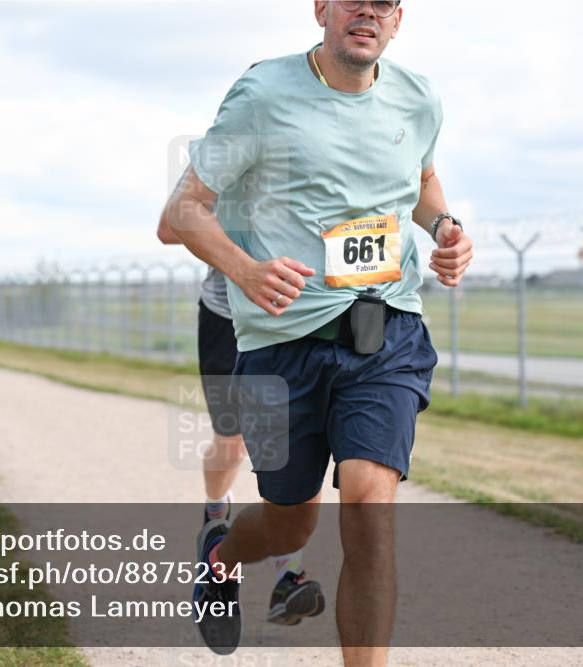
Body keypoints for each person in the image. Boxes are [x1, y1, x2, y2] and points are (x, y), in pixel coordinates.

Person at [162, 2, 474, 663]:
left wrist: (445, 227)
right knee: (287, 523)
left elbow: (421, 180)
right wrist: (244, 269)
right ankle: (219, 557)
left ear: (397, 18)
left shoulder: (419, 97)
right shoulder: (263, 94)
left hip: (385, 330)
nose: (368, 9)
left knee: (369, 514)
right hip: (283, 347)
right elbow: (181, 212)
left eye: (384, 1)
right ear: (321, 10)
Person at [158, 178, 325, 626]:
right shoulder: (219, 157)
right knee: (230, 442)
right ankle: (215, 515)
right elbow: (167, 228)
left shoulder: (311, 152)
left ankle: (288, 575)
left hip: (289, 320)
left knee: (283, 448)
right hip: (225, 316)